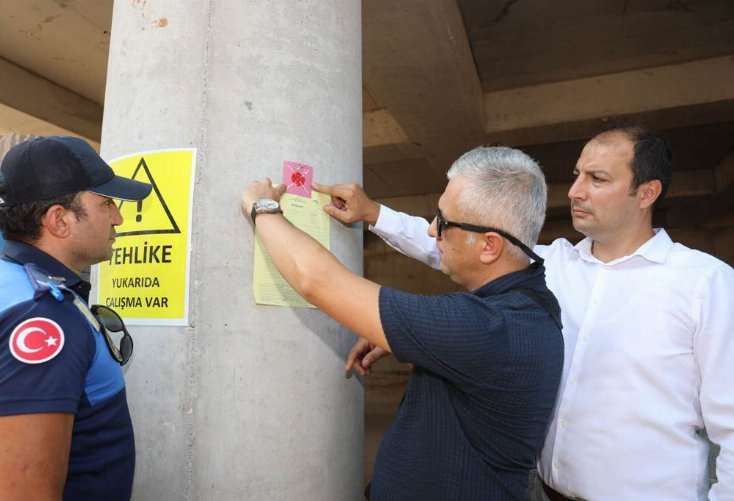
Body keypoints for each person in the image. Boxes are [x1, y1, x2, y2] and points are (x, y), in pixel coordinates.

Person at [315, 126, 734, 501]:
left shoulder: (704, 283)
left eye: (598, 179)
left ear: (647, 193)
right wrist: (374, 214)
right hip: (542, 492)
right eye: (577, 175)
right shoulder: (554, 264)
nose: (575, 191)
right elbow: (461, 243)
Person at [241, 146, 563, 500]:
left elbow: (317, 280)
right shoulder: (528, 306)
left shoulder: (490, 327)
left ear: (489, 246)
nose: (432, 230)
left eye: (444, 222)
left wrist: (263, 208)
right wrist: (416, 343)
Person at [0, 136, 151, 501]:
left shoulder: (3, 282)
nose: (118, 217)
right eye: (106, 204)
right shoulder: (45, 318)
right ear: (59, 220)